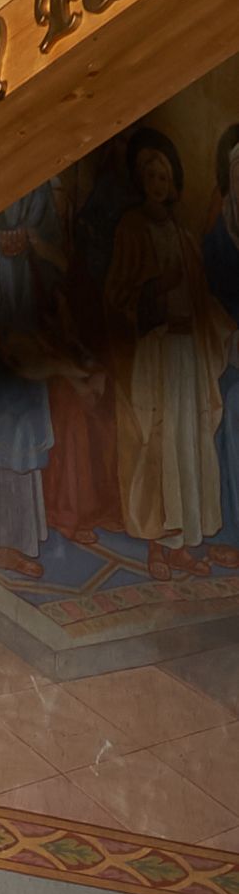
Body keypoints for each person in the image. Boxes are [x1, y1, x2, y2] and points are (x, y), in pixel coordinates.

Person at [0, 186, 97, 577]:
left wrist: (33, 242)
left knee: (20, 428)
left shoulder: (36, 187)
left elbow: (53, 249)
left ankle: (8, 544)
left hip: (26, 308)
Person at [106, 127, 227, 577]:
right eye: (149, 175)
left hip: (186, 354)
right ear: (140, 181)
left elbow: (200, 299)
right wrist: (156, 290)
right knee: (156, 442)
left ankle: (182, 544)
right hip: (153, 355)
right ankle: (157, 547)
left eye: (163, 176)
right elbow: (116, 296)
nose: (157, 183)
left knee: (187, 442)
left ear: (173, 181)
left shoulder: (183, 234)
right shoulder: (131, 228)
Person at [199, 120, 239, 567]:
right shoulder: (219, 232)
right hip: (227, 350)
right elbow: (203, 294)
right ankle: (233, 532)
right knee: (230, 410)